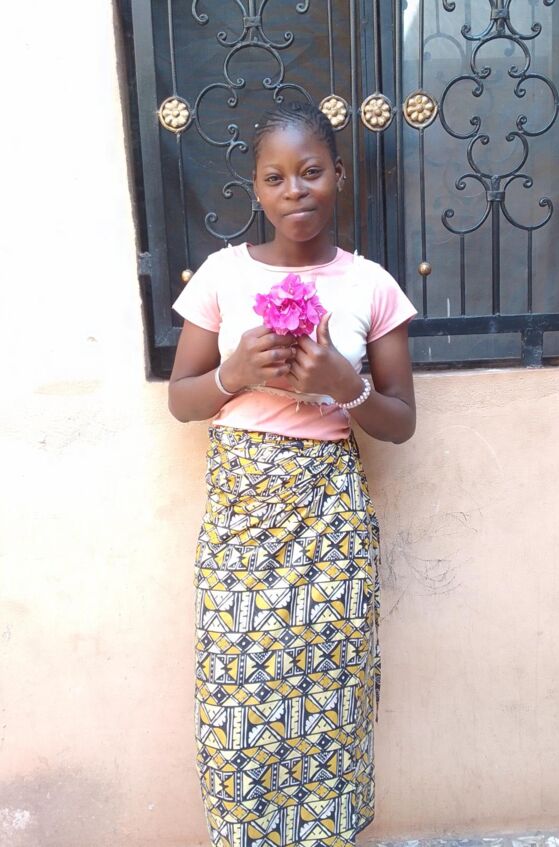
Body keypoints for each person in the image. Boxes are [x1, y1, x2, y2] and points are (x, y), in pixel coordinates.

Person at [169, 101, 417, 847]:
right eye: (274, 178)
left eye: (311, 172)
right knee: (238, 699)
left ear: (338, 174)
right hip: (241, 516)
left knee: (331, 699)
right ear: (256, 188)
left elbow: (400, 422)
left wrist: (347, 385)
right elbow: (182, 400)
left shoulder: (372, 285)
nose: (295, 190)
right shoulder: (222, 274)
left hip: (330, 518)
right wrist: (236, 373)